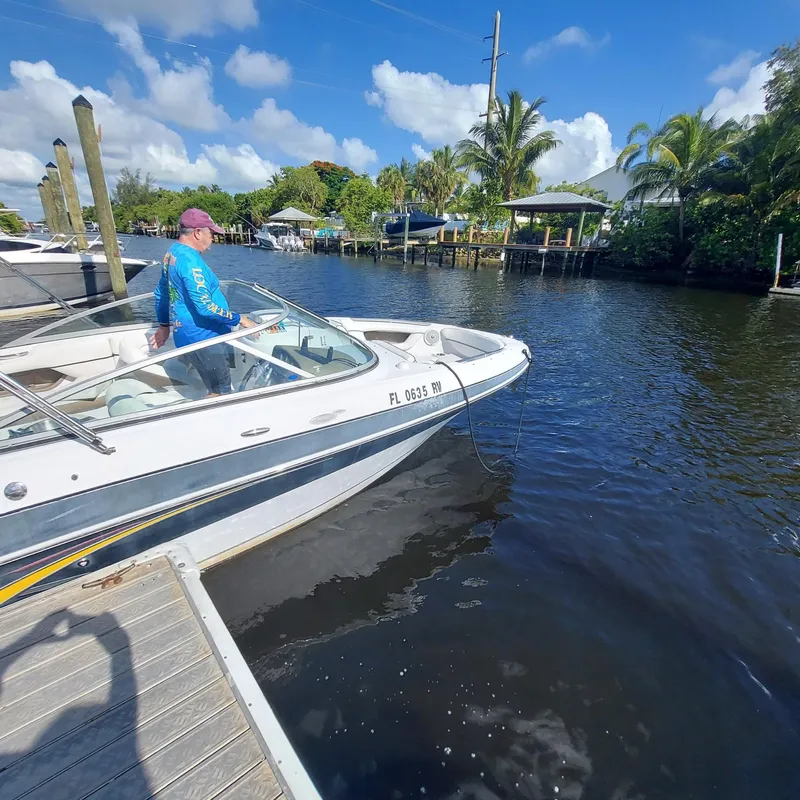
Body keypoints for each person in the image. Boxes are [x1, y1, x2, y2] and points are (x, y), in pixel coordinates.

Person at [150, 208, 257, 396]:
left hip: (190, 334)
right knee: (221, 390)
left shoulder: (173, 253)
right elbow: (205, 307)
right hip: (203, 338)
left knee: (214, 384)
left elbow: (162, 292)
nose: (213, 238)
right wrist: (239, 319)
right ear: (198, 232)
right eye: (211, 233)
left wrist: (164, 326)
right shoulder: (191, 263)